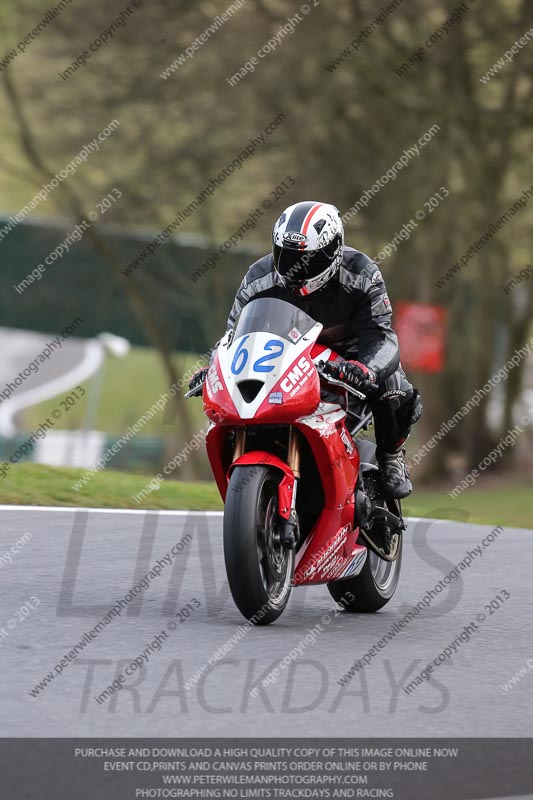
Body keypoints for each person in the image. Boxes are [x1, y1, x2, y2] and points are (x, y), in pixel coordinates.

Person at [189, 201, 422, 498]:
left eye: (308, 259)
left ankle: (391, 456)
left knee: (395, 389)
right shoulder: (257, 277)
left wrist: (365, 369)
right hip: (286, 359)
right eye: (285, 256)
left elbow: (382, 336)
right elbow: (234, 336)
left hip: (350, 362)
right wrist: (213, 370)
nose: (296, 268)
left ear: (334, 250)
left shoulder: (362, 273)